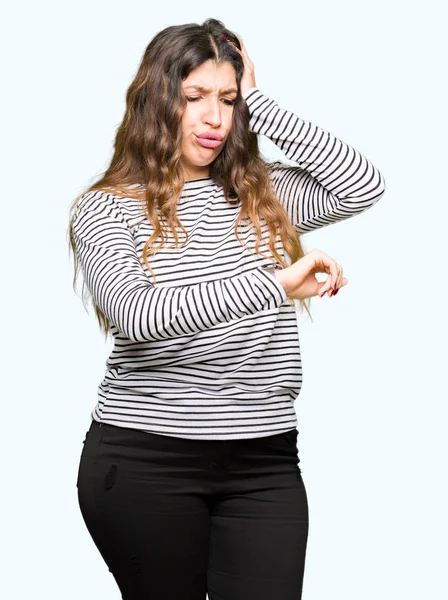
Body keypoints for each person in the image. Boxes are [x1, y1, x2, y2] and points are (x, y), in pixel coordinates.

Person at [69, 18, 386, 600]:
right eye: (194, 98)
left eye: (228, 100)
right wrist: (274, 283)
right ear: (157, 100)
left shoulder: (259, 195)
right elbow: (136, 315)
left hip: (263, 462)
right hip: (147, 464)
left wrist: (259, 103)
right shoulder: (107, 209)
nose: (215, 118)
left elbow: (361, 184)